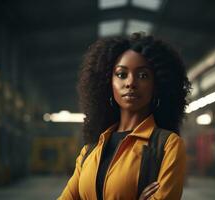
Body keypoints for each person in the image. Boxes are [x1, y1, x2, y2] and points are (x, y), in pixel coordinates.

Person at [58, 32, 191, 200]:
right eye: (121, 74)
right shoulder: (89, 151)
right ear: (108, 83)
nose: (130, 83)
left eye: (142, 75)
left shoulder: (168, 146)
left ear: (157, 85)